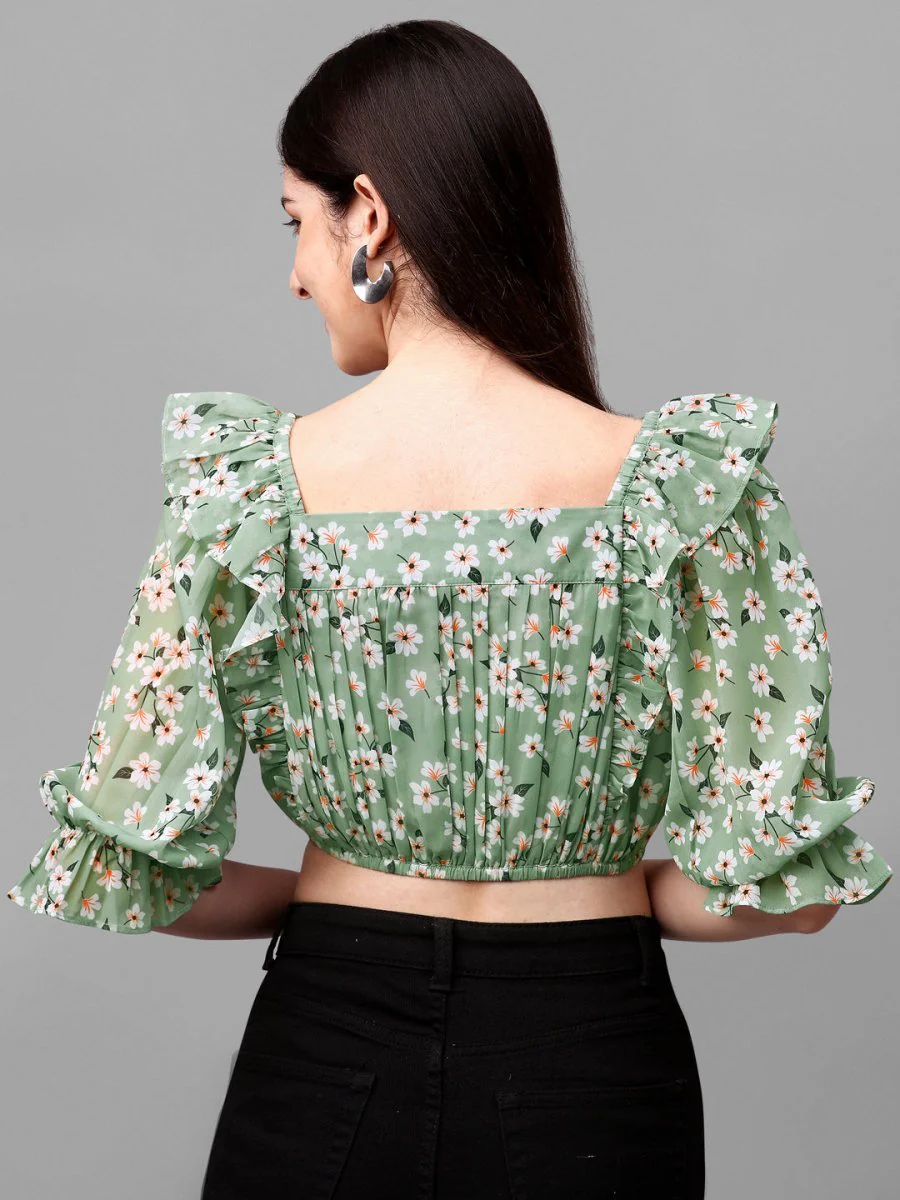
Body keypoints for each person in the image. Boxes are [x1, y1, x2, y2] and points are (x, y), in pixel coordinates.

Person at [7, 18, 892, 1200]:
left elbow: (137, 866)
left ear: (367, 215)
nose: (295, 273)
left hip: (328, 1046)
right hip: (596, 1059)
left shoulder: (247, 493)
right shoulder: (684, 489)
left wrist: (341, 897)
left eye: (295, 222)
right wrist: (600, 893)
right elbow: (796, 896)